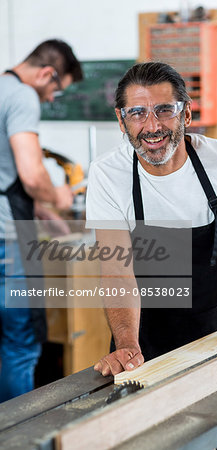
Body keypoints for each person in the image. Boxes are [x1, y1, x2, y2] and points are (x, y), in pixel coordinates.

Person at [86, 62, 217, 449]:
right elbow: (118, 270)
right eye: (137, 112)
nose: (151, 126)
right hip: (144, 347)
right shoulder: (107, 174)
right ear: (121, 120)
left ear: (186, 112)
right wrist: (127, 346)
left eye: (164, 109)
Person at [0, 39, 83, 402]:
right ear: (47, 73)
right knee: (21, 346)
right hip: (8, 241)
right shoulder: (22, 97)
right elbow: (33, 176)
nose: (51, 98)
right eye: (56, 89)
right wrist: (58, 197)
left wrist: (39, 210)